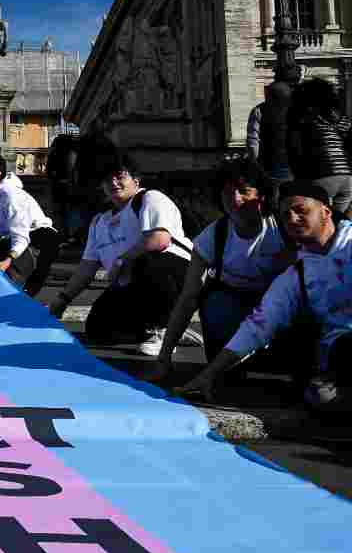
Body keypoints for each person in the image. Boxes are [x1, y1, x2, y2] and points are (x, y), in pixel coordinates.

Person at [178, 181, 351, 413]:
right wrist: (209, 374)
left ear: (326, 212)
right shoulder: (298, 272)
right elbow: (258, 325)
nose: (292, 219)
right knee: (320, 397)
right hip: (337, 354)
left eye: (301, 210)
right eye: (285, 214)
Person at [148, 159, 287, 371]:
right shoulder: (211, 237)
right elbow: (188, 298)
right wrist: (164, 358)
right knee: (214, 302)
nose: (235, 199)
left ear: (262, 195)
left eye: (243, 191)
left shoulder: (283, 228)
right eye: (227, 192)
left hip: (279, 303)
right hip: (234, 304)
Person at [49, 155, 193, 347]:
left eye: (120, 177)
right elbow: (86, 268)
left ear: (136, 180)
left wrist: (120, 261)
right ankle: (173, 329)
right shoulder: (99, 222)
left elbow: (159, 240)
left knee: (148, 261)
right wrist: (62, 300)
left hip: (177, 276)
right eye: (107, 180)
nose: (113, 183)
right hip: (132, 285)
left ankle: (162, 329)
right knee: (97, 329)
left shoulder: (150, 198)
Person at [0, 150, 59, 295]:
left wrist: (9, 259)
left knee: (26, 290)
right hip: (19, 237)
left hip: (41, 238)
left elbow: (21, 234)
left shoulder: (10, 195)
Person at [287, 77, 352, 215]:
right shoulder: (338, 119)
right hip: (346, 177)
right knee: (337, 219)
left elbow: (295, 150)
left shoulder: (303, 120)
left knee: (319, 218)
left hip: (321, 174)